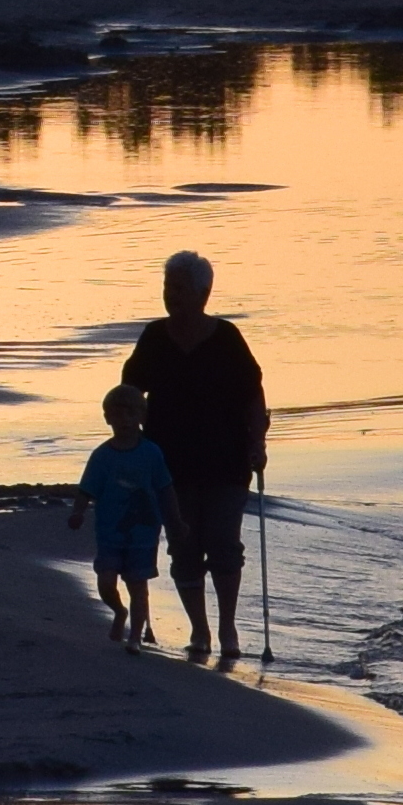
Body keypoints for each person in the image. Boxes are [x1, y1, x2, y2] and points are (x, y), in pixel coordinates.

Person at [123, 251, 269, 659]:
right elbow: (130, 393)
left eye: (179, 288)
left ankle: (227, 630)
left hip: (226, 460)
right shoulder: (154, 337)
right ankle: (199, 631)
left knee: (223, 543)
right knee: (184, 545)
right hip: (169, 463)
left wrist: (258, 441)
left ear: (203, 294)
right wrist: (128, 440)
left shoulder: (226, 339)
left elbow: (253, 393)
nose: (171, 295)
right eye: (168, 287)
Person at [68, 385, 187, 655]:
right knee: (106, 582)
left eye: (130, 415)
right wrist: (77, 512)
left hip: (143, 533)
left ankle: (135, 636)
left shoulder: (151, 453)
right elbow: (87, 489)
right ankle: (119, 611)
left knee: (138, 586)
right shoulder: (102, 455)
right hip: (109, 532)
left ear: (141, 418)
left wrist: (176, 522)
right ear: (107, 418)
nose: (124, 421)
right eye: (117, 415)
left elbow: (165, 489)